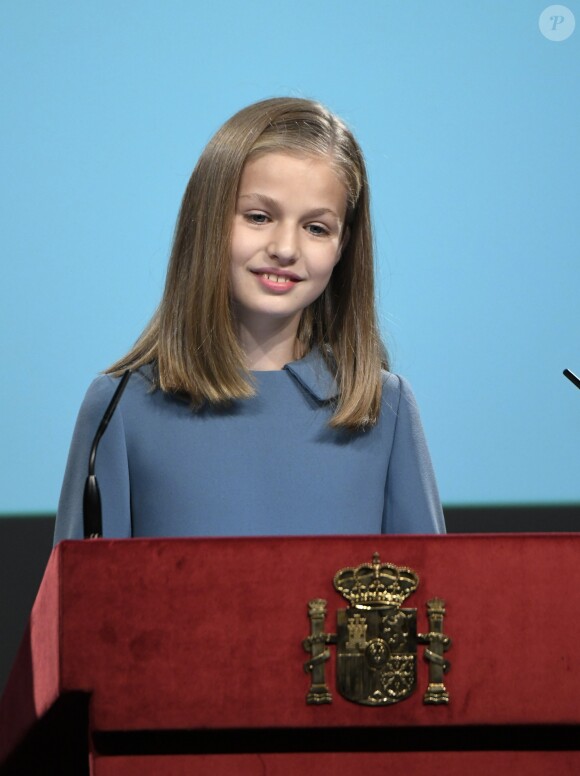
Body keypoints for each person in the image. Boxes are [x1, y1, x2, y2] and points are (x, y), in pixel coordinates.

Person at [54, 97, 445, 542]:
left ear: (342, 247)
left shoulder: (384, 410)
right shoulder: (119, 408)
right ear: (208, 222)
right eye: (259, 217)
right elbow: (79, 607)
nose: (285, 247)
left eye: (316, 228)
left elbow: (430, 600)